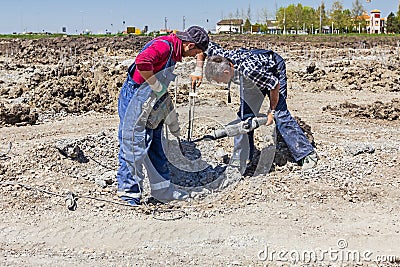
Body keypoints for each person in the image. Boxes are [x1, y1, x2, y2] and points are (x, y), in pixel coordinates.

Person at [117, 26, 209, 205]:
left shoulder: (176, 47)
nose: (193, 57)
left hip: (151, 98)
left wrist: (199, 68)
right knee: (134, 143)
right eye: (195, 52)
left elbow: (204, 51)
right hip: (137, 96)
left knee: (156, 144)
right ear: (189, 45)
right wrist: (157, 87)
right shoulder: (164, 46)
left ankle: (162, 190)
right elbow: (142, 62)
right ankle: (129, 193)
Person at [195, 42, 318, 172]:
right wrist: (198, 70)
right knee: (243, 119)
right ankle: (243, 158)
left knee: (280, 114)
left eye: (218, 80)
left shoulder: (249, 71)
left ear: (226, 72)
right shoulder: (221, 57)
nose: (219, 83)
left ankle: (306, 154)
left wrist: (271, 110)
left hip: (273, 72)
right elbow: (201, 45)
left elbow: (274, 85)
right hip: (253, 81)